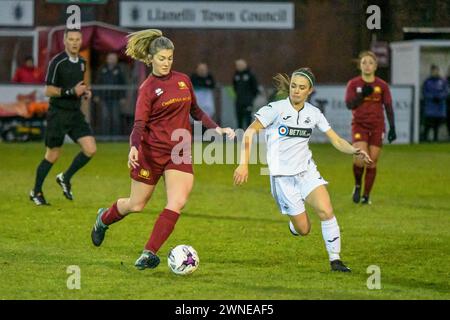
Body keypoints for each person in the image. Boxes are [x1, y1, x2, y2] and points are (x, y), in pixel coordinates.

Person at [90, 29, 235, 270]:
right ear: (151, 59)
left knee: (177, 202)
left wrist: (216, 129)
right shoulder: (147, 89)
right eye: (161, 58)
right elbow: (139, 124)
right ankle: (103, 219)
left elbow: (196, 111)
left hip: (179, 151)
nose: (166, 63)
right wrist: (134, 148)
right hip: (151, 153)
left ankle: (148, 253)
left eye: (169, 58)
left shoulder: (183, 80)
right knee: (136, 205)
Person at [233, 68, 372, 272]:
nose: (296, 91)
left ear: (310, 91)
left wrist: (354, 150)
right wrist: (243, 163)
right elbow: (249, 132)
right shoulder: (275, 109)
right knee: (304, 229)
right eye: (293, 86)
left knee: (326, 210)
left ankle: (335, 260)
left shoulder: (313, 113)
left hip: (306, 172)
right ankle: (295, 225)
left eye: (301, 88)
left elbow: (336, 139)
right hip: (283, 179)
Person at [29, 29, 95, 205]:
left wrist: (85, 92)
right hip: (58, 113)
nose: (74, 42)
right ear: (65, 41)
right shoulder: (57, 62)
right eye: (71, 39)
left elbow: (80, 86)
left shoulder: (82, 62)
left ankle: (65, 177)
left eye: (77, 39)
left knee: (90, 149)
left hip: (75, 114)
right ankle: (36, 191)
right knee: (52, 155)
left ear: (81, 41)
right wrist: (71, 91)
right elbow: (48, 90)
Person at [345, 50, 396, 205]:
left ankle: (366, 196)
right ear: (360, 66)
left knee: (372, 161)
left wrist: (392, 127)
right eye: (364, 63)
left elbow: (388, 106)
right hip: (359, 125)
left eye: (370, 63)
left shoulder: (382, 85)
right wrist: (361, 96)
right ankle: (357, 185)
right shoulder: (353, 84)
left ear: (375, 66)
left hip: (377, 126)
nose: (367, 66)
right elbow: (349, 105)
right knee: (361, 159)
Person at [93, 52, 127, 135]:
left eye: (114, 59)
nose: (112, 60)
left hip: (116, 98)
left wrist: (123, 97)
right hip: (104, 98)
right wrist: (96, 95)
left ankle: (116, 137)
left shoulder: (119, 70)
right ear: (107, 60)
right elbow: (97, 82)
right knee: (105, 117)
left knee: (115, 118)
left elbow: (123, 84)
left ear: (116, 60)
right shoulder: (102, 69)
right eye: (110, 58)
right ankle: (105, 136)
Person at [422, 65, 448, 142]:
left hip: (439, 108)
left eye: (436, 70)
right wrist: (432, 97)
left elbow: (446, 92)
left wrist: (439, 97)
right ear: (431, 71)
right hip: (430, 108)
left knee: (437, 125)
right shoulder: (427, 81)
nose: (435, 72)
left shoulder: (443, 81)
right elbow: (424, 92)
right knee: (428, 124)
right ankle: (425, 138)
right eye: (433, 71)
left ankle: (435, 139)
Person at [233, 59, 259, 129]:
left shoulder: (250, 75)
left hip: (248, 101)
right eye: (237, 65)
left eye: (240, 65)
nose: (239, 67)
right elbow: (235, 86)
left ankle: (248, 134)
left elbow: (255, 88)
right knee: (239, 118)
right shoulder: (236, 75)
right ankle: (240, 135)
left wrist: (250, 98)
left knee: (248, 118)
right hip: (239, 101)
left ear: (245, 65)